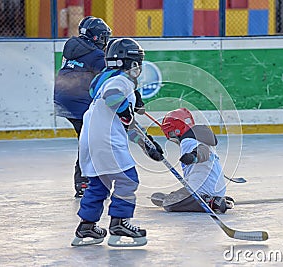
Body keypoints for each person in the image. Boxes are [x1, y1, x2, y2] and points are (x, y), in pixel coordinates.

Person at [71, 38, 164, 247]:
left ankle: (86, 226)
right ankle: (120, 223)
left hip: (90, 140)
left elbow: (127, 125)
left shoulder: (105, 79)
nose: (139, 68)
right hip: (106, 140)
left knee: (98, 183)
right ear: (131, 64)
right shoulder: (121, 81)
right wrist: (125, 110)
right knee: (127, 180)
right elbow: (114, 100)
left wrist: (147, 145)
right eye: (138, 63)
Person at [54, 16, 112, 197]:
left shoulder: (72, 47)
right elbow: (109, 78)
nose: (105, 41)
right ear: (95, 37)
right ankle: (84, 181)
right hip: (79, 101)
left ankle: (86, 179)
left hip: (63, 98)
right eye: (103, 36)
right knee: (90, 140)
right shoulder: (96, 55)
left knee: (87, 138)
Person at [151, 108, 234, 214]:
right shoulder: (199, 137)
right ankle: (214, 198)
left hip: (201, 189)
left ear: (175, 130)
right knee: (177, 195)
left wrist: (193, 156)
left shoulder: (187, 141)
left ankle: (210, 201)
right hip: (216, 188)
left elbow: (203, 151)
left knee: (169, 204)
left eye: (170, 134)